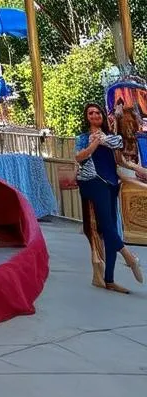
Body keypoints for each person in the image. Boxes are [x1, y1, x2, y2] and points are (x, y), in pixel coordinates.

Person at [74, 102, 144, 294]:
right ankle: (130, 258)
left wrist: (139, 169)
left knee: (112, 226)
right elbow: (79, 157)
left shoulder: (113, 138)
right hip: (93, 181)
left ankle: (110, 279)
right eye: (90, 113)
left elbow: (120, 159)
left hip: (111, 182)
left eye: (98, 112)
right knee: (106, 226)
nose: (95, 115)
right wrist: (94, 143)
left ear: (103, 116)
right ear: (86, 117)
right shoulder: (82, 138)